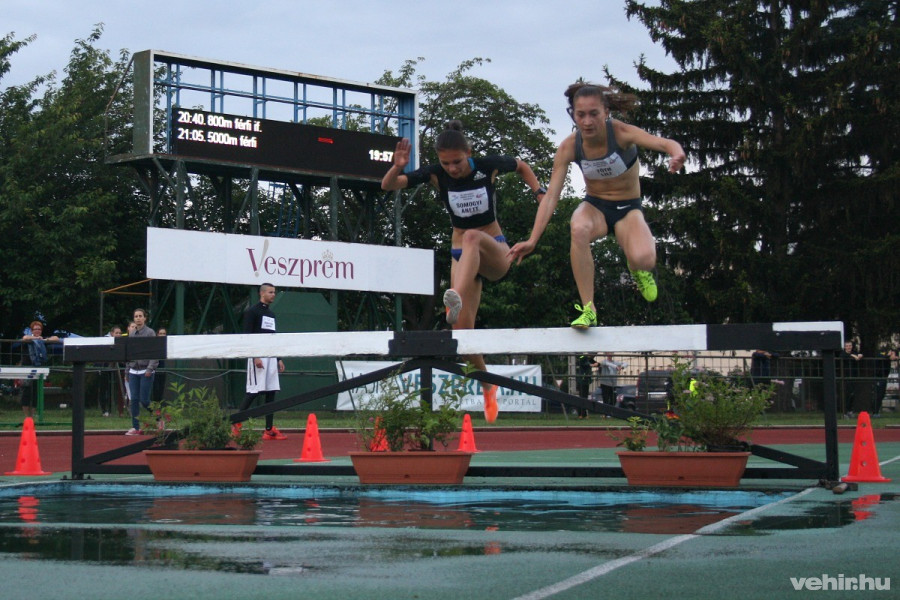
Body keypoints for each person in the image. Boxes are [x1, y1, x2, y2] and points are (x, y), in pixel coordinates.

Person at [382, 120, 546, 422]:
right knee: (462, 336)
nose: (452, 168)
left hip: (494, 250)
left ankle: (454, 295)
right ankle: (487, 385)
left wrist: (539, 191)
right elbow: (389, 185)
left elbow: (522, 165)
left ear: (468, 153)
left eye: (457, 162)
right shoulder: (436, 174)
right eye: (446, 163)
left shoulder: (487, 167)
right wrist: (397, 167)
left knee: (471, 235)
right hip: (461, 256)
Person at [509, 82, 686, 328]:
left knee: (644, 259)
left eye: (594, 114)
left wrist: (677, 154)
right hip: (596, 207)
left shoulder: (621, 133)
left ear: (606, 112)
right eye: (581, 115)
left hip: (628, 209)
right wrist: (532, 239)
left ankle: (637, 268)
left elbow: (664, 143)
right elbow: (550, 197)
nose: (587, 122)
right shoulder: (569, 146)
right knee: (578, 227)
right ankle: (589, 309)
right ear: (573, 115)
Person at [236, 282, 287, 440]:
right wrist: (255, 356)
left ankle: (269, 429)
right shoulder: (252, 312)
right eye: (270, 292)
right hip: (257, 356)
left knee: (271, 391)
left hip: (271, 357)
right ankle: (236, 424)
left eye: (274, 292)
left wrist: (278, 358)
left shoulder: (271, 314)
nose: (273, 295)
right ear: (262, 293)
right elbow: (247, 335)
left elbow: (273, 337)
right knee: (253, 391)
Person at [125, 308, 157, 435]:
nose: (138, 318)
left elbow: (155, 353)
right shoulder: (132, 334)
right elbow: (129, 355)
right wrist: (127, 371)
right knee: (134, 399)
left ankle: (159, 417)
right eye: (136, 316)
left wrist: (150, 368)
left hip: (146, 370)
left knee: (144, 400)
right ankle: (136, 427)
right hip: (133, 370)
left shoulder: (150, 333)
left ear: (144, 318)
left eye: (140, 316)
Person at [18, 320, 60, 419]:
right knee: (26, 392)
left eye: (39, 329)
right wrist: (35, 338)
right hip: (27, 368)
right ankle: (26, 416)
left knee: (36, 392)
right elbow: (25, 338)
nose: (37, 331)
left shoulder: (42, 341)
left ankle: (32, 416)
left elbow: (56, 338)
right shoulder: (28, 339)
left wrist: (45, 340)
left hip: (38, 368)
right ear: (32, 330)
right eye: (35, 329)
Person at [98, 325, 122, 417]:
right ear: (112, 333)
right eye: (116, 333)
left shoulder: (119, 342)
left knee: (112, 389)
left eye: (120, 333)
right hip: (104, 368)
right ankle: (104, 410)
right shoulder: (105, 340)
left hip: (113, 368)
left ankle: (111, 409)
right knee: (104, 389)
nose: (118, 335)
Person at [872, 348, 897, 418]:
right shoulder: (882, 355)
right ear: (890, 353)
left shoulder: (888, 359)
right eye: (893, 354)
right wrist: (888, 356)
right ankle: (875, 412)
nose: (894, 357)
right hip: (879, 378)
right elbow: (879, 357)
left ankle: (877, 411)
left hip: (884, 378)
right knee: (878, 395)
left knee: (882, 395)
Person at [152, 327, 168, 403]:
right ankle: (155, 405)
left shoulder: (167, 344)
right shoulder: (154, 344)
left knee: (161, 388)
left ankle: (159, 405)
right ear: (157, 334)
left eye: (164, 334)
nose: (162, 335)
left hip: (163, 370)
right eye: (160, 333)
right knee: (156, 388)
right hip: (154, 370)